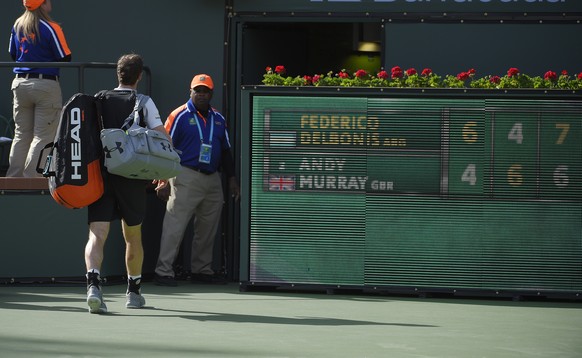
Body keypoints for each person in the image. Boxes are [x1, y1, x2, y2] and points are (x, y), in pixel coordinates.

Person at [85, 53, 169, 314]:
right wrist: (163, 174)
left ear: (118, 74)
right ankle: (133, 294)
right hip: (132, 179)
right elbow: (161, 137)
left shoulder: (98, 99)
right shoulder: (144, 102)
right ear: (139, 76)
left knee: (96, 235)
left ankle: (93, 286)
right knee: (133, 236)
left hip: (101, 177)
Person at [154, 74, 240, 286]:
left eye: (205, 91)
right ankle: (163, 271)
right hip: (185, 174)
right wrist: (162, 180)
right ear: (190, 92)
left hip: (212, 178)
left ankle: (202, 270)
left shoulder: (218, 118)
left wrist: (231, 179)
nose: (201, 94)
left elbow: (226, 150)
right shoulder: (179, 115)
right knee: (175, 225)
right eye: (197, 90)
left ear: (211, 94)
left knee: (207, 227)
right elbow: (164, 146)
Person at [7, 0, 72, 177]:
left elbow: (13, 54)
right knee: (42, 136)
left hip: (20, 83)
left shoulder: (18, 25)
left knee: (21, 135)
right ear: (42, 4)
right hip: (45, 84)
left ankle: (13, 180)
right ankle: (31, 180)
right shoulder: (51, 27)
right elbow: (65, 56)